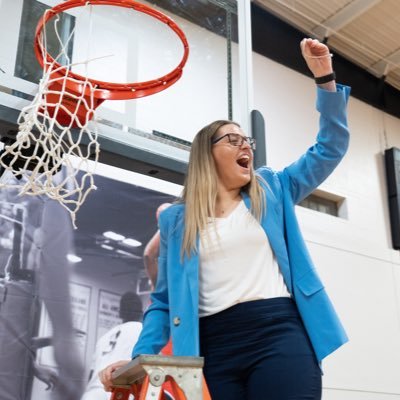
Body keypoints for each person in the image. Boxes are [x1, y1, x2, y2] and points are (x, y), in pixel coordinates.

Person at [99, 38, 350, 400]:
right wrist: (140, 357)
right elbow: (163, 302)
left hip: (279, 332)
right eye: (232, 140)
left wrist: (325, 79)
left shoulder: (273, 189)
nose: (245, 145)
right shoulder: (176, 221)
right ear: (207, 154)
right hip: (211, 347)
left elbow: (330, 147)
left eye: (246, 139)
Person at [81, 292, 143, 400]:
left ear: (120, 313)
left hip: (92, 393)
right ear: (142, 313)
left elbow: (91, 374)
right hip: (118, 393)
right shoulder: (144, 332)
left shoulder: (104, 337)